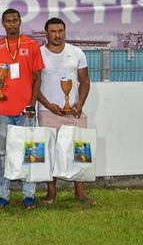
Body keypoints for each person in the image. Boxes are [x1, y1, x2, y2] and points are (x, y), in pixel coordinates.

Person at [37, 17, 95, 206]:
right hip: (48, 111)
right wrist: (48, 104)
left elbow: (85, 81)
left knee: (78, 151)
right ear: (46, 33)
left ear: (64, 32)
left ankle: (80, 193)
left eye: (60, 31)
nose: (57, 35)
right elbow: (34, 85)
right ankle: (51, 193)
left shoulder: (76, 52)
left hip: (73, 112)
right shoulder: (39, 54)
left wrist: (79, 104)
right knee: (50, 152)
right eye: (53, 31)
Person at [0, 8, 44, 210]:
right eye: (8, 21)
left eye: (15, 20)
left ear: (20, 22)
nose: (12, 24)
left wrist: (32, 104)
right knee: (3, 154)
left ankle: (28, 194)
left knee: (29, 153)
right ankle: (3, 195)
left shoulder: (31, 45)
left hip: (26, 110)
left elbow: (38, 78)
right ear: (3, 24)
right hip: (3, 109)